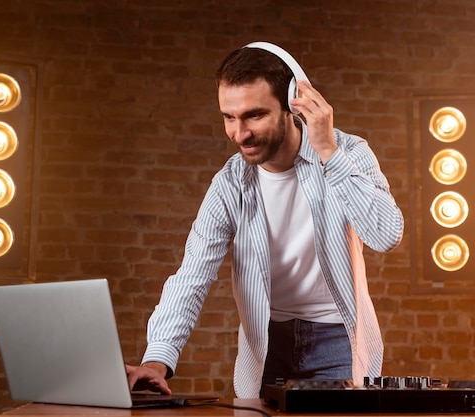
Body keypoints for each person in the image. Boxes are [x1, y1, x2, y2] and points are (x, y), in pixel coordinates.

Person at [126, 42, 404, 399]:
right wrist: (157, 361)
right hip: (266, 344)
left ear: (293, 106)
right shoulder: (229, 184)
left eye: (254, 115)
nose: (239, 134)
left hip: (339, 341)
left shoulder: (348, 153)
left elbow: (386, 234)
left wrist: (328, 153)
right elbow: (192, 276)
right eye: (229, 117)